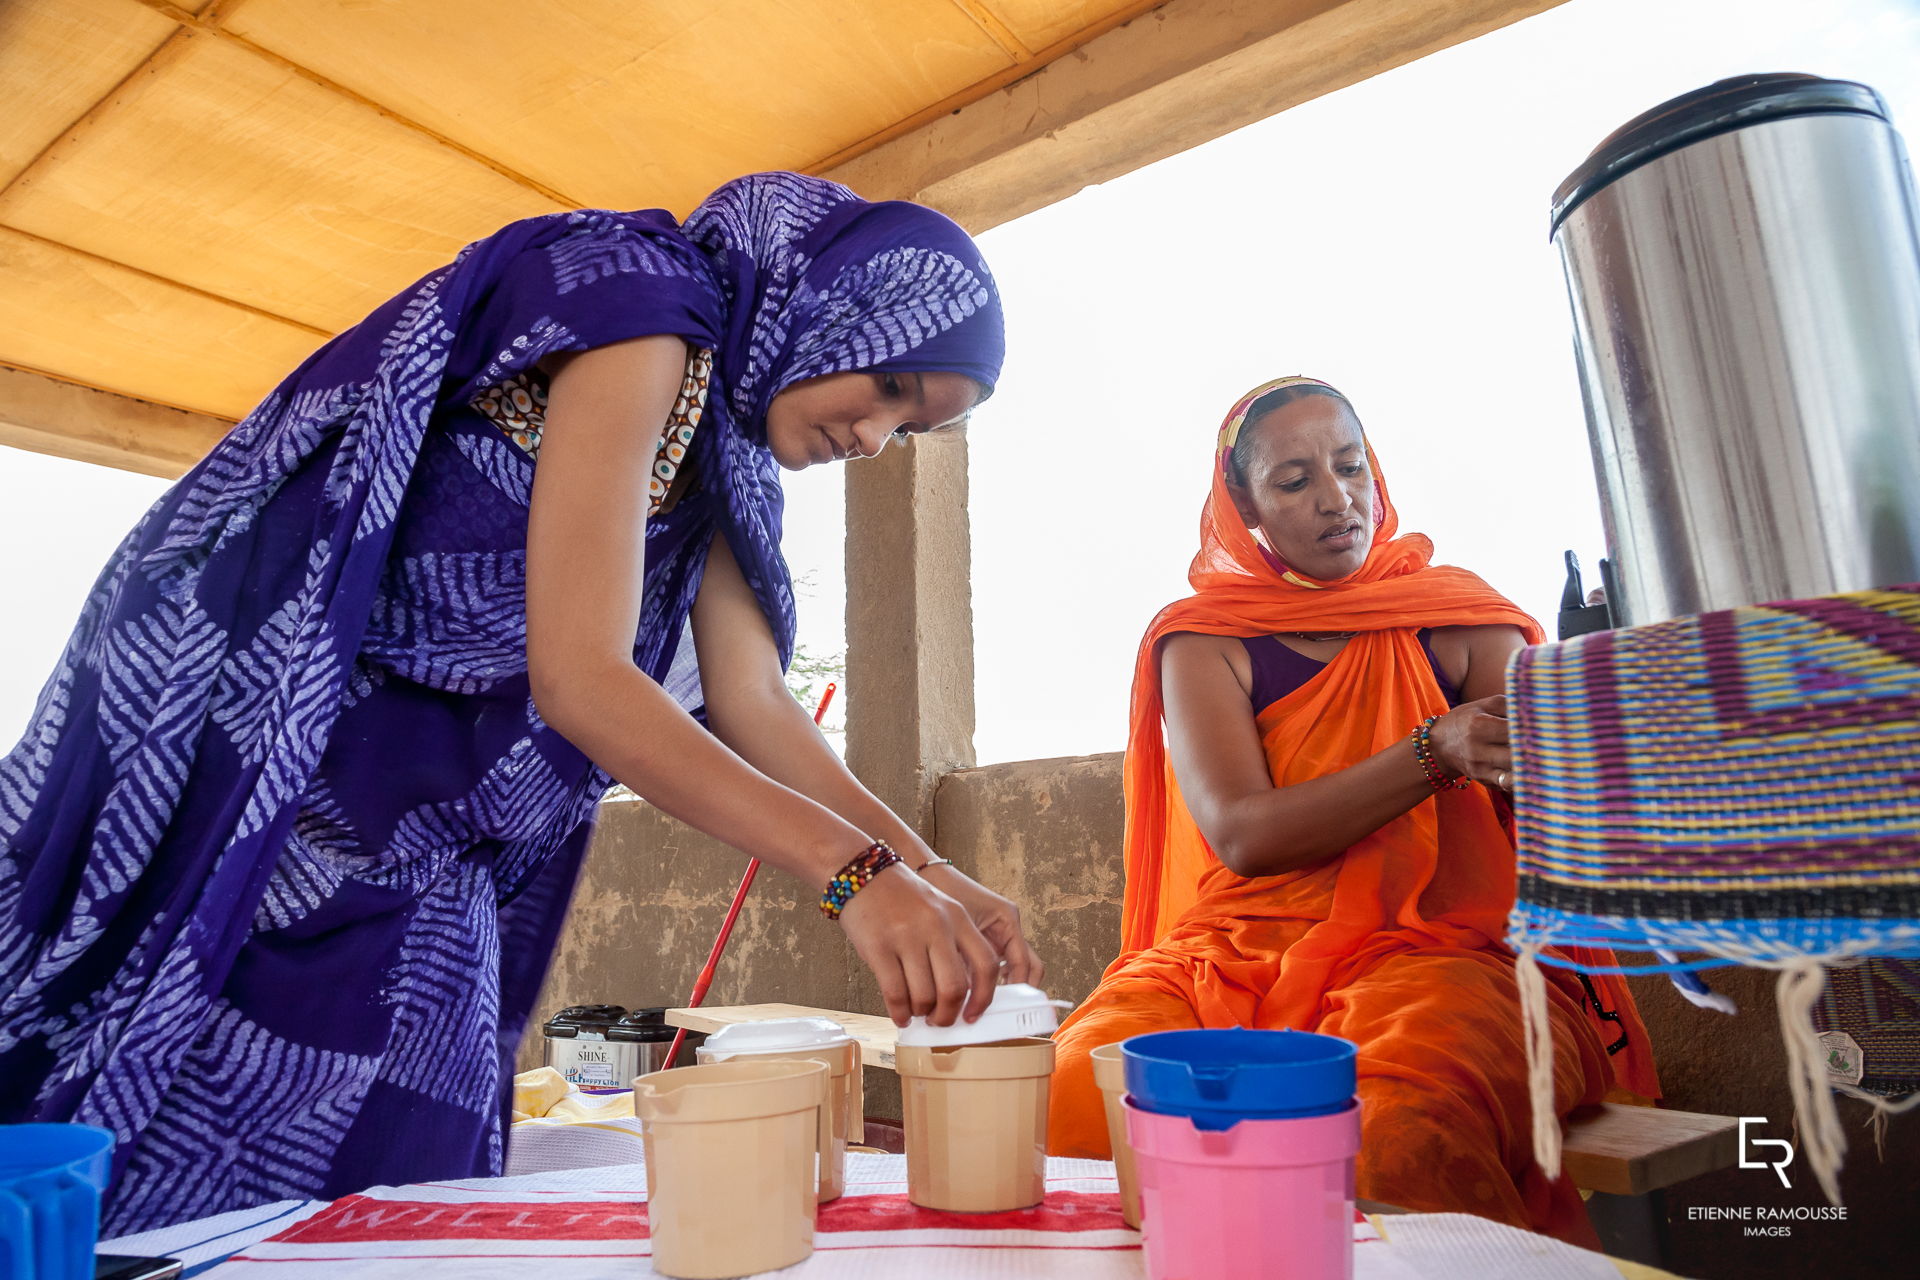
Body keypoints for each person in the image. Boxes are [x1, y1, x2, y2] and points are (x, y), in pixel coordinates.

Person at [0, 172, 1041, 1234]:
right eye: (894, 384)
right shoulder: (643, 317)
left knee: (415, 1176)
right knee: (176, 1137)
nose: (875, 435)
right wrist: (854, 875)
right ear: (837, 306)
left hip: (437, 848)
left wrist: (931, 871)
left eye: (911, 431)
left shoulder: (728, 452)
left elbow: (754, 703)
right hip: (279, 791)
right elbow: (581, 676)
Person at [1046, 377, 1656, 1241]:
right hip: (1232, 951)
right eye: (1294, 482)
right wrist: (1432, 751)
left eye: (1349, 466)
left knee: (1399, 1127)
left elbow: (1560, 810)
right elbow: (1245, 836)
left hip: (1443, 951)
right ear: (1245, 509)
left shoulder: (1463, 621)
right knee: (1080, 1091)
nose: (1337, 499)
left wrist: (1573, 730)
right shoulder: (1205, 639)